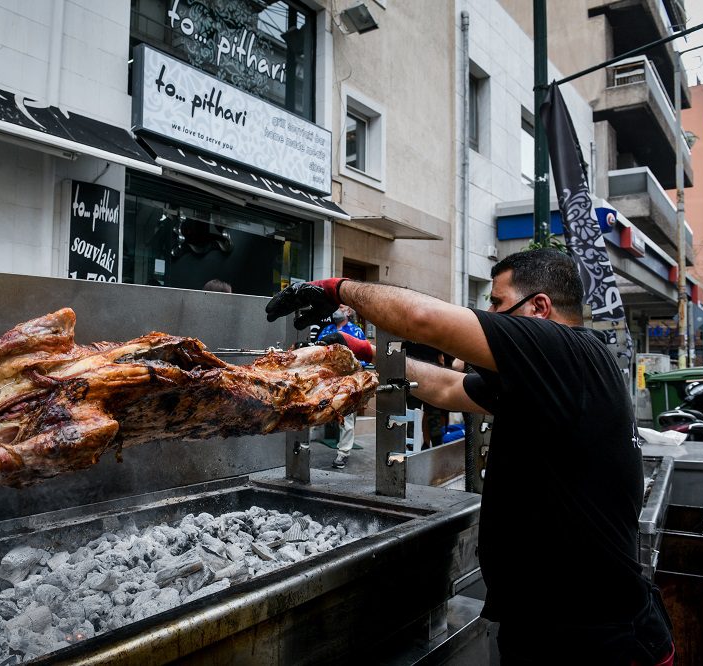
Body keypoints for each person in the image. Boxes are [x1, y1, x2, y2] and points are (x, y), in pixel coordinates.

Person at [265, 248, 674, 665]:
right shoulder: (549, 379)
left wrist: (337, 289)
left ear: (539, 307)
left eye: (497, 304)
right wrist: (364, 351)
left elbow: (423, 320)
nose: (491, 313)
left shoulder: (569, 353)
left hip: (598, 640)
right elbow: (447, 388)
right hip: (550, 628)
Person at [314, 308, 369, 469]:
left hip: (348, 378)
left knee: (347, 417)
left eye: (340, 307)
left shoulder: (356, 331)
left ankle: (343, 453)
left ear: (349, 312)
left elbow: (363, 357)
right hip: (327, 378)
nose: (336, 310)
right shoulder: (327, 330)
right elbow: (318, 351)